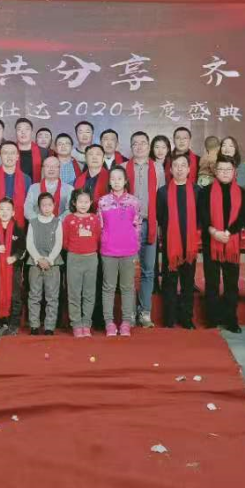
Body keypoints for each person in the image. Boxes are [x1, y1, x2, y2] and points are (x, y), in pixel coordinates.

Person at [201, 156, 245, 333]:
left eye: (228, 169)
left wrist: (228, 233)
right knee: (212, 283)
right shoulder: (205, 191)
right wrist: (213, 232)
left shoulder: (242, 192)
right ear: (215, 171)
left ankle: (231, 320)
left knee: (231, 284)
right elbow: (202, 214)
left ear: (234, 171)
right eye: (221, 169)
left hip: (231, 241)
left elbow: (243, 216)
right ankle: (212, 319)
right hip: (211, 240)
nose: (225, 173)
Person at [157, 153, 201, 330]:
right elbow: (160, 217)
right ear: (170, 169)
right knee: (169, 282)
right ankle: (169, 318)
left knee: (188, 283)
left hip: (189, 245)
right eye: (176, 165)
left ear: (189, 169)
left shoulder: (197, 191)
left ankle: (186, 318)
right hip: (171, 244)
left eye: (183, 165)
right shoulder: (163, 192)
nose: (180, 169)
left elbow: (200, 218)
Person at [126, 132, 163, 328]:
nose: (139, 146)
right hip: (128, 226)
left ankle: (145, 312)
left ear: (148, 146)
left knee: (148, 270)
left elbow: (162, 197)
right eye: (135, 143)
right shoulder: (123, 167)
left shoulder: (157, 168)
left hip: (150, 223)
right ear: (131, 147)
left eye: (143, 143)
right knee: (129, 271)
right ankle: (130, 312)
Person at [98, 165, 139, 337]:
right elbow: (99, 226)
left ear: (125, 181)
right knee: (108, 287)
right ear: (109, 181)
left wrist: (136, 247)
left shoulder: (133, 201)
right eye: (113, 179)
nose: (116, 182)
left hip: (129, 251)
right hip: (108, 250)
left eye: (119, 178)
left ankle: (126, 323)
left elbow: (137, 226)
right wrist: (104, 242)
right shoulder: (102, 201)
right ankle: (109, 322)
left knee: (127, 287)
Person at [0, 198, 26, 337]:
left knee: (15, 296)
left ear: (13, 213)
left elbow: (23, 249)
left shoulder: (18, 230)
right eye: (1, 209)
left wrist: (14, 257)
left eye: (8, 209)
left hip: (14, 269)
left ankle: (13, 325)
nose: (4, 212)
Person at [63, 189, 102, 338]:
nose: (83, 205)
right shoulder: (68, 219)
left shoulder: (94, 219)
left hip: (91, 258)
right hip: (74, 258)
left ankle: (86, 323)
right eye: (80, 202)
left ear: (91, 203)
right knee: (74, 292)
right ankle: (76, 324)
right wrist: (75, 250)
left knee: (89, 293)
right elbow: (65, 241)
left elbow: (98, 237)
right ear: (74, 203)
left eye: (86, 202)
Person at [26, 192, 64, 335]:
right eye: (43, 205)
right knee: (34, 295)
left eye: (49, 205)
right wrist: (38, 259)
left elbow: (59, 243)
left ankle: (49, 326)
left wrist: (49, 259)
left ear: (54, 206)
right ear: (39, 207)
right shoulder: (33, 222)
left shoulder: (57, 222)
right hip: (35, 263)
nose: (47, 208)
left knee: (52, 296)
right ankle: (34, 325)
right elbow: (29, 243)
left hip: (53, 264)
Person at [26, 155, 73, 223]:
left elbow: (70, 210)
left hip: (61, 225)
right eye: (48, 166)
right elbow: (27, 209)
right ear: (43, 169)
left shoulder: (69, 189)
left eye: (55, 166)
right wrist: (39, 221)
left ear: (59, 169)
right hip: (37, 225)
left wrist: (57, 222)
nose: (51, 169)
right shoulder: (33, 188)